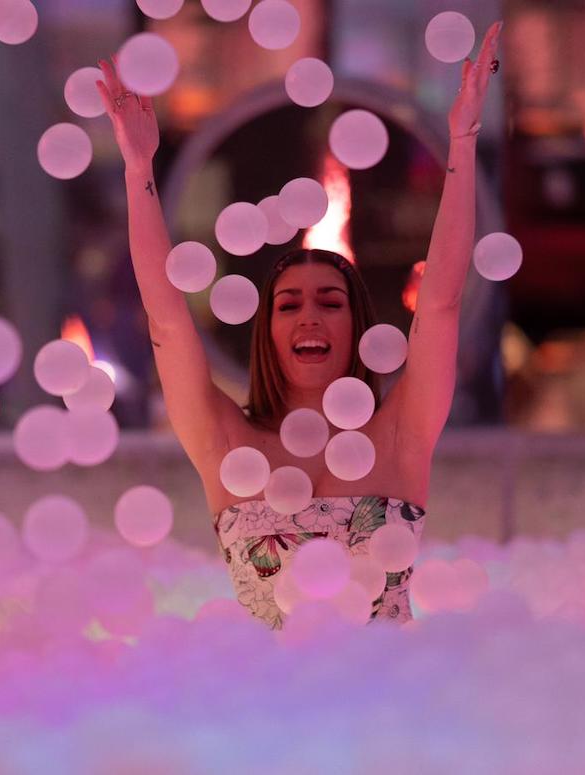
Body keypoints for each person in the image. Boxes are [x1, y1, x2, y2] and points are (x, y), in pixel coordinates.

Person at [97, 22, 501, 629]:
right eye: (288, 305)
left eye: (330, 302)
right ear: (266, 331)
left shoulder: (400, 434)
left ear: (357, 324)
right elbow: (167, 316)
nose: (309, 315)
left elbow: (441, 302)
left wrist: (464, 140)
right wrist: (138, 170)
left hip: (395, 699)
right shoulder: (225, 442)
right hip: (273, 709)